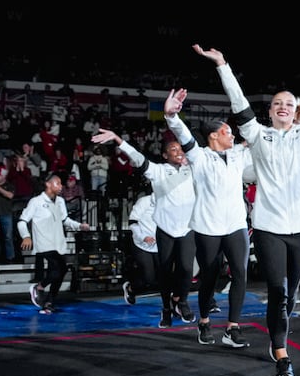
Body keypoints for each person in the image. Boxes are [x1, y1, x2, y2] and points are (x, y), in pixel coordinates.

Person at [193, 42, 300, 376]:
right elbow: (239, 104)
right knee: (277, 289)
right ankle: (282, 356)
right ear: (271, 111)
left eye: (289, 104)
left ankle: (279, 335)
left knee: (289, 295)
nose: (283, 107)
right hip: (270, 228)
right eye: (277, 104)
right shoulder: (257, 136)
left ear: (295, 111)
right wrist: (222, 65)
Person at [161, 86, 253, 351]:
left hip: (235, 224)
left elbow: (258, 137)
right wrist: (171, 117)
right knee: (209, 277)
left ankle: (232, 327)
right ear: (214, 136)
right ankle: (204, 321)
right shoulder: (199, 156)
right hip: (208, 227)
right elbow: (184, 135)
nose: (232, 135)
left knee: (240, 273)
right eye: (228, 132)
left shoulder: (237, 154)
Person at [90, 128, 196, 328]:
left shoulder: (192, 169)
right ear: (165, 155)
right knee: (164, 273)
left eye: (180, 149)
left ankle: (180, 301)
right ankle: (166, 308)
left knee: (186, 269)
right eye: (173, 149)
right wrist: (118, 139)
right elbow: (138, 158)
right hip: (166, 230)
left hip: (187, 228)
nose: (179, 151)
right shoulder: (159, 170)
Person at [17, 173, 90, 315]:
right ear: (48, 184)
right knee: (59, 268)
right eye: (57, 183)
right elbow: (22, 221)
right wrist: (26, 236)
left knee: (60, 272)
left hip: (58, 243)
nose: (60, 186)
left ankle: (49, 302)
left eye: (61, 183)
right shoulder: (36, 201)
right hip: (44, 243)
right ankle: (39, 287)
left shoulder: (60, 201)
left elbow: (65, 220)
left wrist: (79, 225)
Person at [119, 184, 160, 307]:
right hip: (142, 244)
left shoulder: (167, 203)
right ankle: (130, 288)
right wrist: (143, 237)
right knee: (148, 278)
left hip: (160, 245)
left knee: (164, 276)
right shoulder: (144, 202)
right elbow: (132, 222)